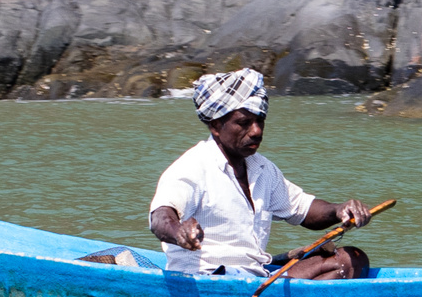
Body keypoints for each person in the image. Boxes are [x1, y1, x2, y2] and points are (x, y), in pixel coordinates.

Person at [149, 67, 373, 279]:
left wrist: (340, 210)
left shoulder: (262, 169)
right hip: (208, 278)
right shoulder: (192, 166)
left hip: (255, 275)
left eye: (260, 121)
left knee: (351, 260)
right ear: (216, 126)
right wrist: (179, 232)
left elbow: (304, 211)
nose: (256, 131)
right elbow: (160, 217)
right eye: (244, 123)